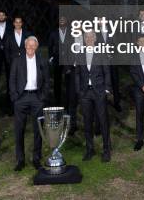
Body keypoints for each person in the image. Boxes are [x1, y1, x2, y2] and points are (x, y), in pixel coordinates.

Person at [9, 36, 49, 172]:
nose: (30, 48)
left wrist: (42, 97)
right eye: (28, 46)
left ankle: (36, 159)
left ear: (36, 47)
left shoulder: (42, 60)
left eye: (33, 46)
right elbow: (12, 79)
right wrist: (15, 97)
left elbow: (47, 81)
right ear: (25, 46)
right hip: (21, 98)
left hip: (37, 98)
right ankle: (20, 160)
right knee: (19, 129)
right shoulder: (17, 60)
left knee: (38, 130)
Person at [75, 31, 112, 162]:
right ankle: (89, 150)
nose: (89, 39)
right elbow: (78, 73)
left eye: (91, 37)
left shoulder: (101, 53)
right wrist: (79, 90)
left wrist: (107, 89)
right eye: (87, 37)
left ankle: (107, 150)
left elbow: (107, 72)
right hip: (85, 93)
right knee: (87, 122)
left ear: (95, 39)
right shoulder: (80, 54)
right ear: (84, 39)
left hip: (99, 91)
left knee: (103, 121)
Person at [48, 16, 78, 135]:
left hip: (68, 60)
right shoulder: (53, 33)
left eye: (64, 20)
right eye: (60, 20)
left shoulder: (71, 33)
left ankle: (68, 100)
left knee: (68, 81)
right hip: (57, 60)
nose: (62, 22)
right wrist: (51, 57)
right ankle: (57, 100)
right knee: (57, 81)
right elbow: (50, 46)